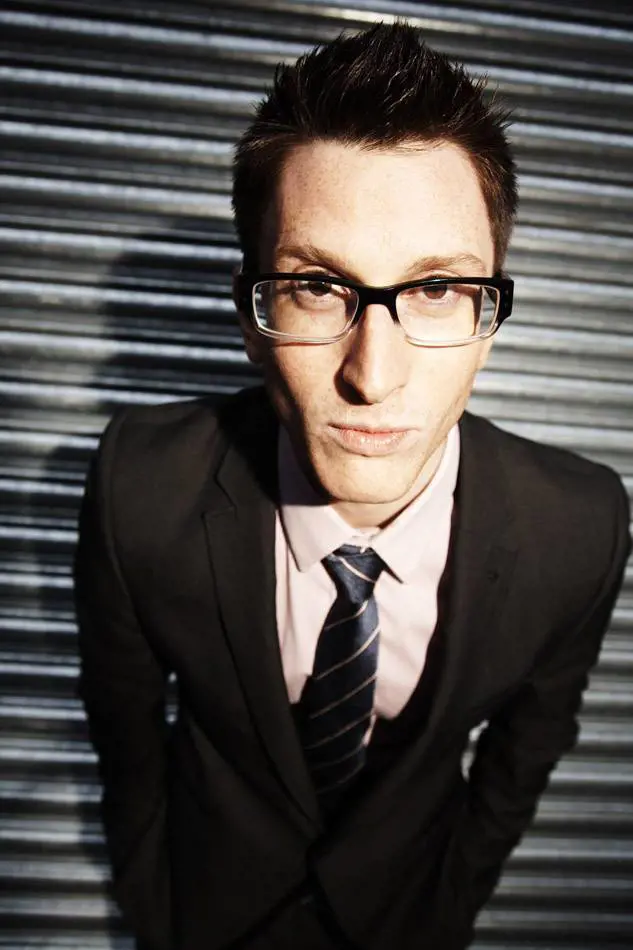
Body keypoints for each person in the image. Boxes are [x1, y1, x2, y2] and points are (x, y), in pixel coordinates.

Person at [74, 22, 631, 950]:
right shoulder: (141, 486)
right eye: (316, 287)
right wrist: (154, 913)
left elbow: (526, 752)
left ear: (491, 316)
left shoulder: (579, 527)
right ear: (250, 315)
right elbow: (123, 738)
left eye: (437, 290)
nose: (372, 376)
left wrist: (451, 905)